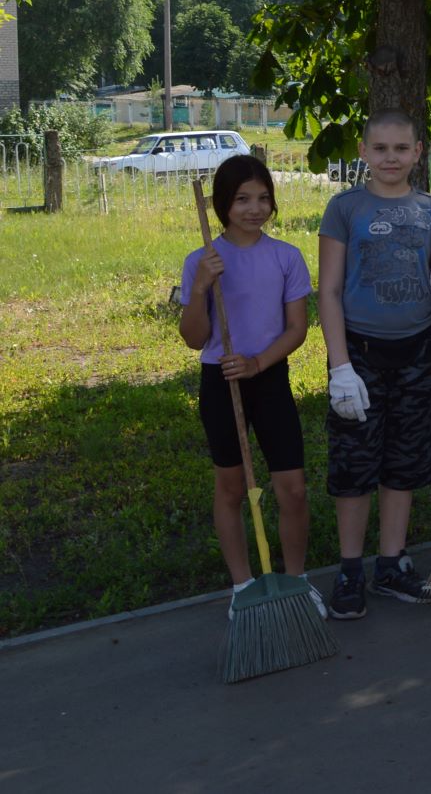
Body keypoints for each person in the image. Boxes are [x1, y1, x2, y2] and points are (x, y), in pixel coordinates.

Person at [318, 111, 431, 619]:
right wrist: (339, 367)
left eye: (401, 148)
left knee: (403, 462)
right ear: (363, 151)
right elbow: (329, 290)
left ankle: (390, 565)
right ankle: (350, 569)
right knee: (354, 465)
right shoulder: (344, 208)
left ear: (420, 151)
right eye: (381, 149)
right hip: (360, 356)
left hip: (416, 353)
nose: (390, 158)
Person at [178, 154, 321, 620]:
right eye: (242, 200)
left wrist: (258, 362)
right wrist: (200, 287)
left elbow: (296, 329)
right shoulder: (202, 261)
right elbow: (194, 338)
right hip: (221, 382)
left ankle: (296, 581)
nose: (254, 209)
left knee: (292, 488)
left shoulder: (286, 257)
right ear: (222, 204)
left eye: (262, 199)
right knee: (231, 487)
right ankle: (242, 585)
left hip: (268, 377)